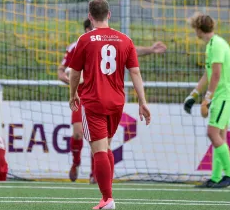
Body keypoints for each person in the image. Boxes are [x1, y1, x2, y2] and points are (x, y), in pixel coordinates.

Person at [58, 19, 166, 183]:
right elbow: (62, 70)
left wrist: (150, 49)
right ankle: (76, 162)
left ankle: (97, 175)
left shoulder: (111, 41)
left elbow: (131, 50)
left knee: (100, 141)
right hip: (82, 96)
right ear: (88, 28)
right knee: (79, 133)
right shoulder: (78, 45)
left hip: (103, 96)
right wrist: (71, 81)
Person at [68, 0, 151, 210]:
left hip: (94, 101)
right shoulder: (125, 40)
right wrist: (142, 101)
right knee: (106, 147)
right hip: (116, 102)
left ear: (90, 16)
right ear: (109, 15)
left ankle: (107, 199)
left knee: (99, 151)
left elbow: (74, 72)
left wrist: (73, 93)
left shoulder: (85, 40)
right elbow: (135, 72)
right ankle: (109, 194)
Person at [183, 13, 230, 188]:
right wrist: (193, 96)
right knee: (219, 135)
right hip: (223, 95)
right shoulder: (213, 45)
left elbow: (216, 75)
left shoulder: (216, 45)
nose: (195, 32)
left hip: (225, 95)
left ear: (199, 29)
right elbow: (208, 75)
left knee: (212, 133)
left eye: (195, 29)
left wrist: (206, 99)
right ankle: (216, 177)